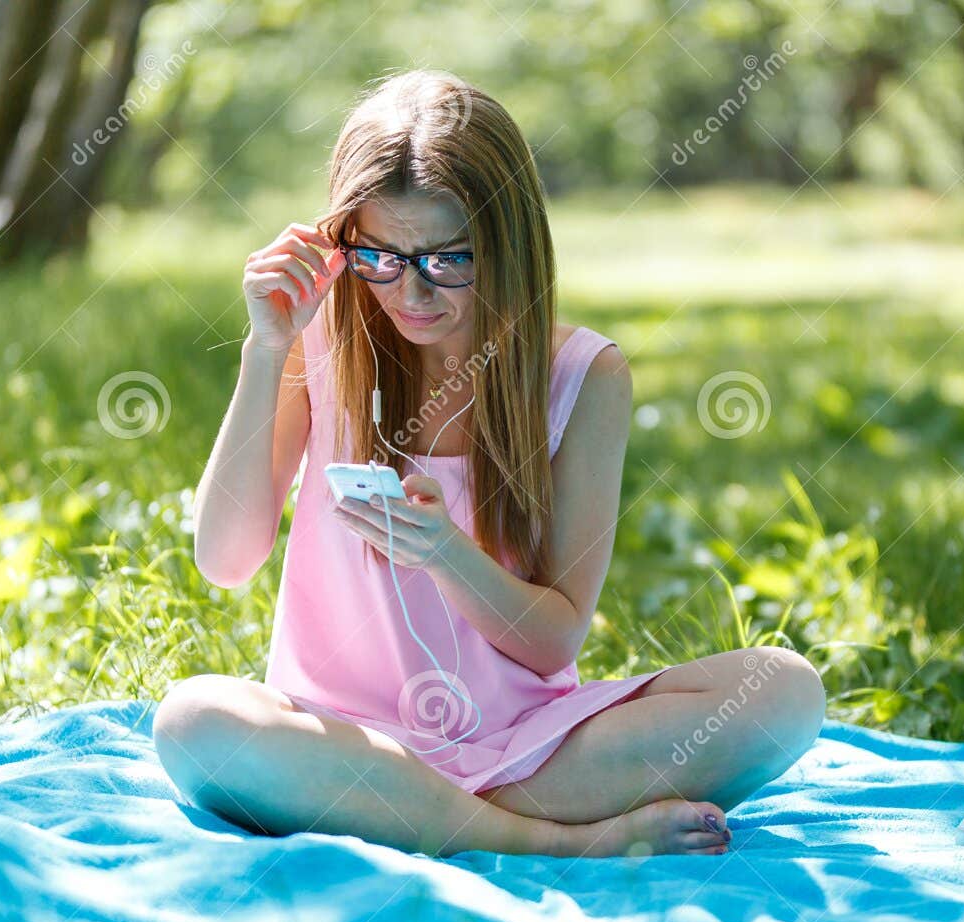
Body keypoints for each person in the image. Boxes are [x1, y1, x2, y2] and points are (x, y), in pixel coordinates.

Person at [153, 70, 825, 858]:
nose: (411, 292)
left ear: (509, 242)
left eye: (448, 259)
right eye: (381, 256)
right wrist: (264, 351)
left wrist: (445, 555)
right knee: (191, 720)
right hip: (346, 742)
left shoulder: (584, 377)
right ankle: (556, 841)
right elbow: (225, 560)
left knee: (783, 692)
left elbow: (553, 641)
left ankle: (430, 819)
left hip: (526, 748)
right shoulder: (320, 342)